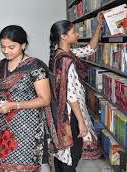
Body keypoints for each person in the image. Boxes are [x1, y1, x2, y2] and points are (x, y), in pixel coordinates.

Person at [0, 25, 51, 171]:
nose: (6, 51)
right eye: (2, 46)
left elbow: (44, 99)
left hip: (27, 126)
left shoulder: (35, 66)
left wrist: (13, 105)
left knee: (24, 165)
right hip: (0, 125)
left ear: (23, 45)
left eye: (11, 47)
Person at [48, 13, 103, 172]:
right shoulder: (66, 61)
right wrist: (81, 123)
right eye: (73, 32)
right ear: (63, 36)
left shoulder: (59, 54)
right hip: (70, 115)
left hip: (60, 113)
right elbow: (71, 95)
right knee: (72, 155)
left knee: (62, 154)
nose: (77, 34)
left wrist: (99, 26)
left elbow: (89, 49)